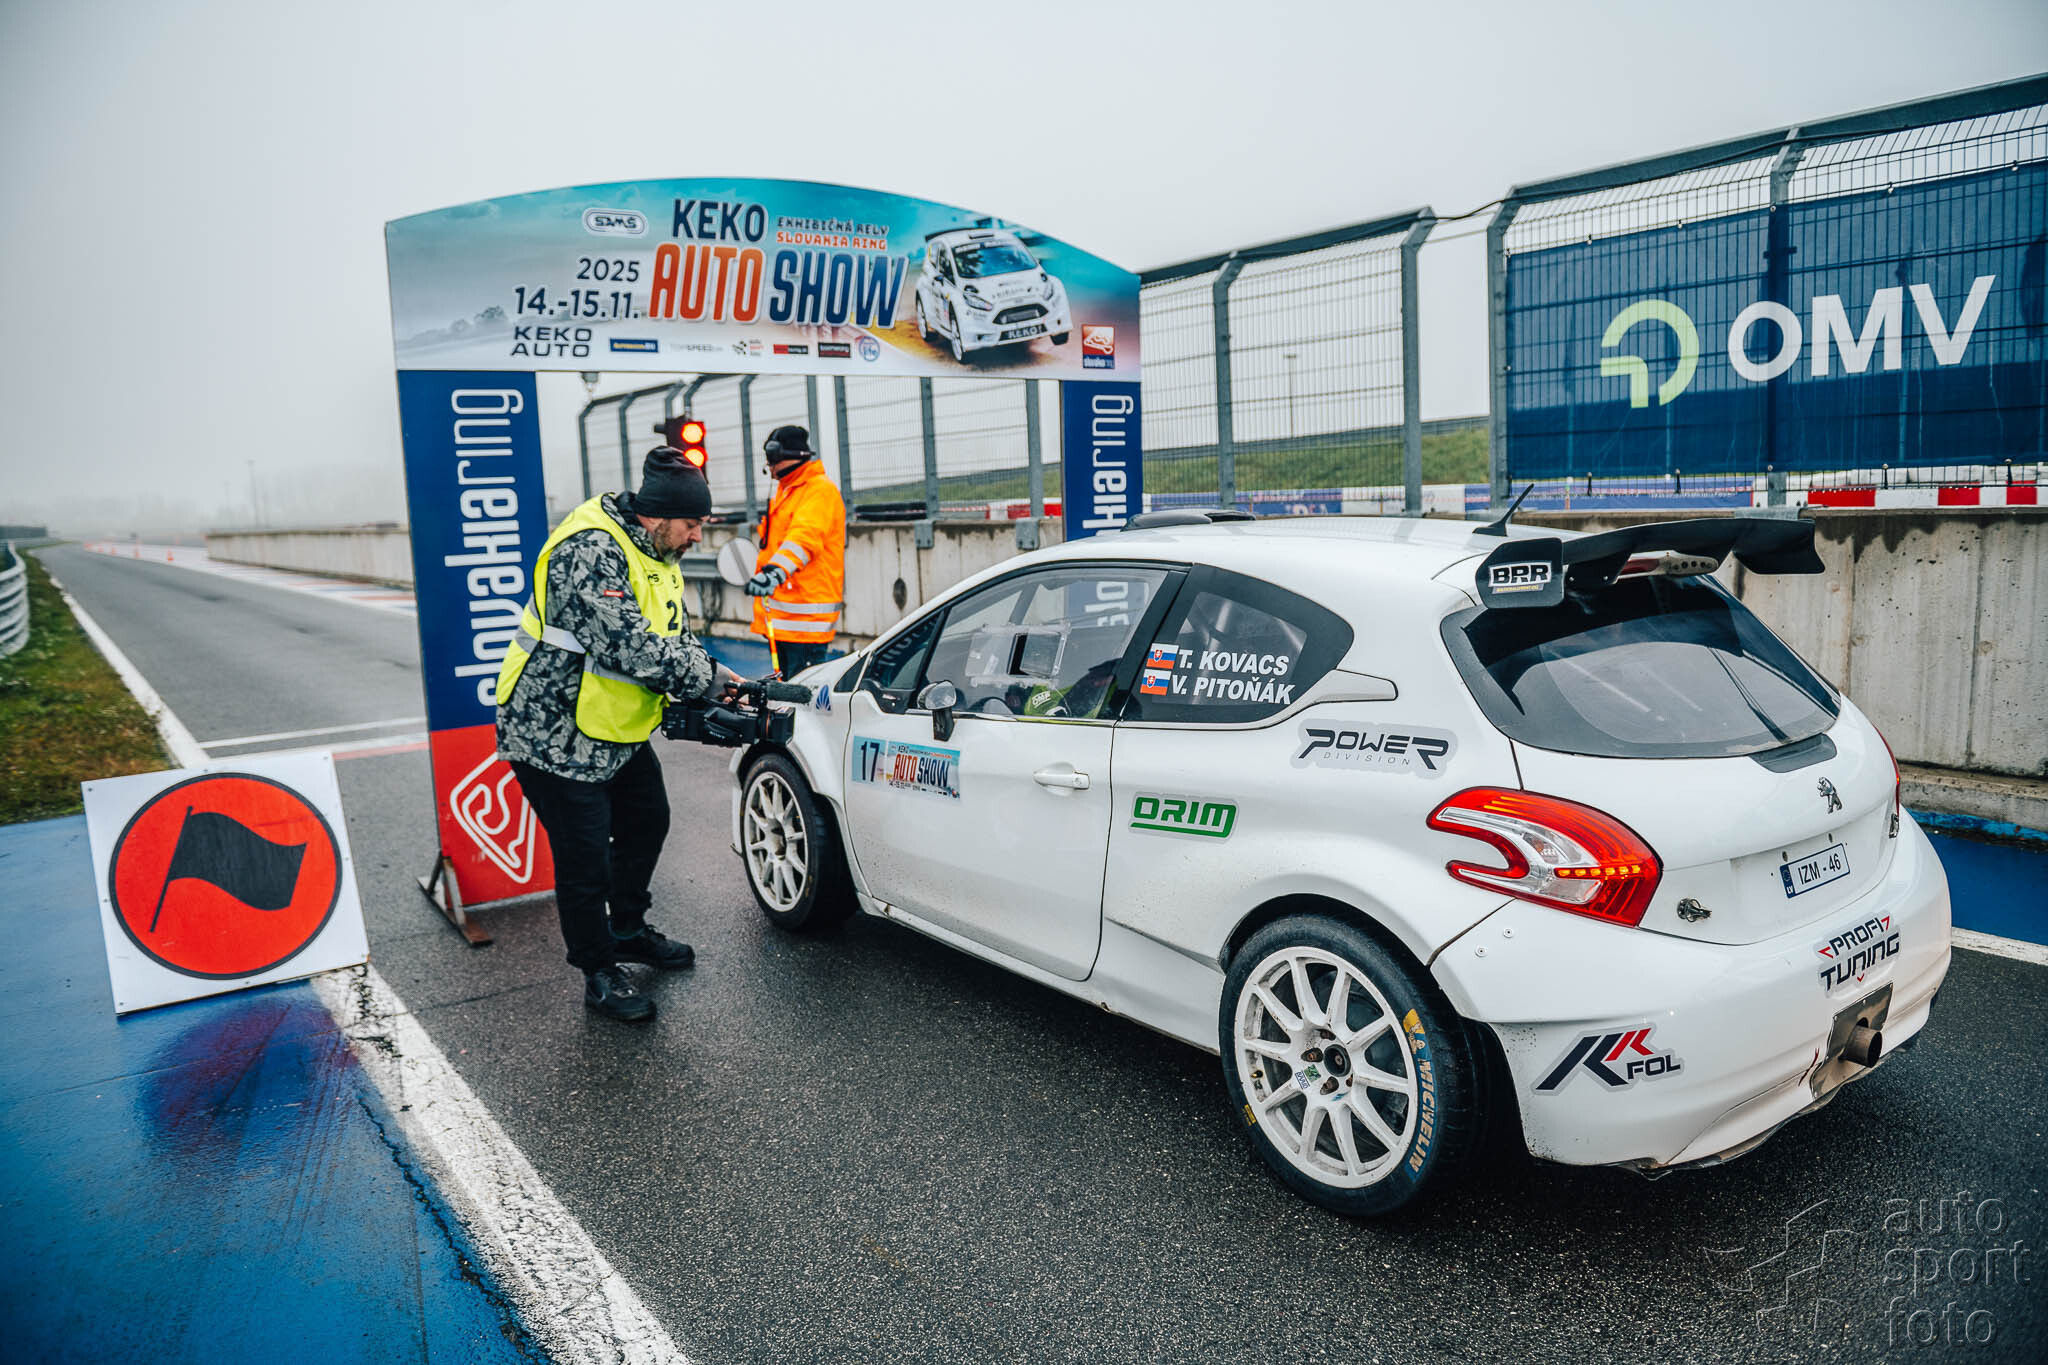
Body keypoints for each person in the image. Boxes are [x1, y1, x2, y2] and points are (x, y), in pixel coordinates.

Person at [494, 447, 739, 1022]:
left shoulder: (655, 550)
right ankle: (598, 970)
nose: (697, 536)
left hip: (609, 725)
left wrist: (713, 677)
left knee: (646, 821)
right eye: (692, 524)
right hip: (552, 729)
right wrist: (707, 680)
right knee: (584, 859)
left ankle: (627, 929)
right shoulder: (589, 549)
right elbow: (628, 645)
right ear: (657, 516)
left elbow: (670, 633)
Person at [745, 425, 846, 678]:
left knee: (801, 691)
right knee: (786, 689)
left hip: (806, 622)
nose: (769, 467)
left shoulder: (819, 490)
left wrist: (774, 572)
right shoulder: (787, 491)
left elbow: (805, 537)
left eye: (772, 459)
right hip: (786, 618)